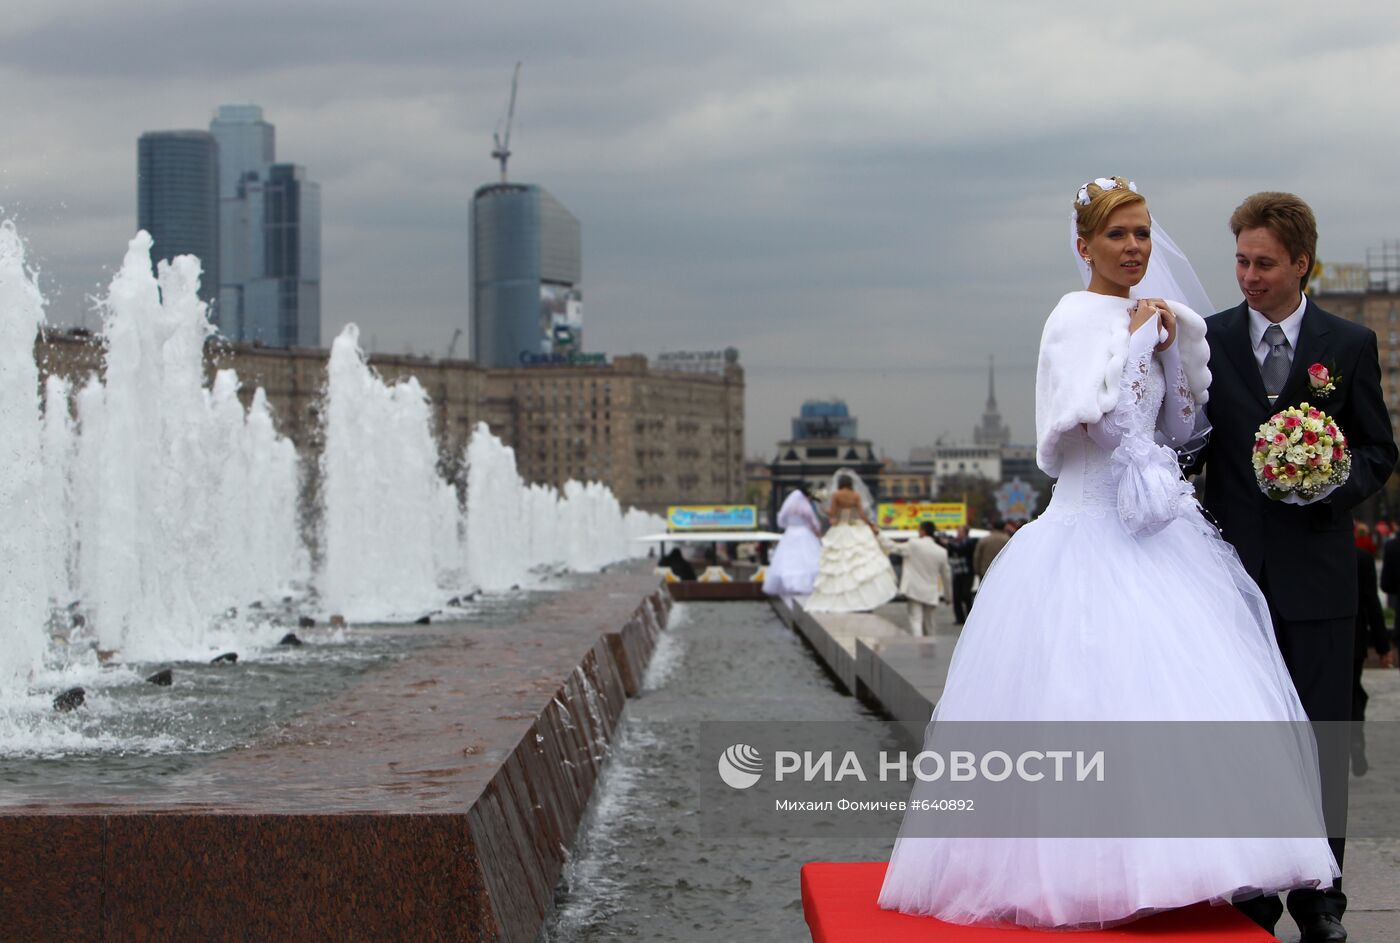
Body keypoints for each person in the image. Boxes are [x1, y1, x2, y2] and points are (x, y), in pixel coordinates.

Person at [879, 177, 1338, 929]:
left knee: (1183, 697)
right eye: (1119, 235)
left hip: (1159, 537)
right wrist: (1136, 349)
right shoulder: (1071, 318)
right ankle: (1084, 871)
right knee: (1085, 699)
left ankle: (1194, 865)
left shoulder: (1158, 318)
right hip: (1085, 528)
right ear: (1085, 244)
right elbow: (1094, 428)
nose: (1135, 248)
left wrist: (1174, 355)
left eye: (1144, 233)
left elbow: (1181, 428)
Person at [1190, 192, 1397, 942]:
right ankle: (1249, 888)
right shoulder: (1208, 340)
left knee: (1320, 738)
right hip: (1233, 579)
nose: (1248, 275)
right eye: (1241, 260)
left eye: (1264, 263)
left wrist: (1331, 483)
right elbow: (1193, 448)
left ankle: (1322, 898)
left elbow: (1379, 447)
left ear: (1301, 263)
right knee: (1244, 739)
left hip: (1318, 574)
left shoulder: (1346, 345)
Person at [805, 470, 897, 613]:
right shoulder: (855, 495)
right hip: (856, 528)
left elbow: (832, 513)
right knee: (859, 565)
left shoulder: (836, 495)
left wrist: (821, 506)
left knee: (839, 566)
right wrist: (870, 524)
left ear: (840, 483)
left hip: (841, 529)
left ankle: (840, 598)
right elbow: (861, 514)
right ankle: (863, 598)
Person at [1351, 540, 1392, 776]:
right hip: (1355, 638)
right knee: (1354, 693)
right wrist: (1382, 645)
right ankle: (1355, 738)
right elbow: (1372, 604)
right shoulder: (1363, 558)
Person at [883, 521, 952, 637]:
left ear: (923, 531)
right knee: (929, 623)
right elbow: (946, 576)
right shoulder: (942, 552)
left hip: (914, 590)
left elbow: (893, 547)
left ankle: (918, 644)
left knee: (916, 620)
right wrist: (948, 596)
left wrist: (878, 534)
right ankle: (930, 647)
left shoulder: (914, 544)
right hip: (931, 592)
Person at [763, 485, 823, 603]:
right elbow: (813, 522)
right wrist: (816, 531)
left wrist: (789, 527)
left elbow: (781, 521)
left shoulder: (788, 508)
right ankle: (806, 585)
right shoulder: (805, 507)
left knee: (789, 560)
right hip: (804, 533)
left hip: (790, 533)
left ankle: (790, 585)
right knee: (807, 559)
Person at [947, 526, 976, 623]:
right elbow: (950, 553)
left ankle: (970, 617)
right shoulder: (955, 542)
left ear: (965, 533)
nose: (958, 534)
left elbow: (961, 550)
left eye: (960, 532)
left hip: (967, 572)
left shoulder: (969, 542)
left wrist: (949, 543)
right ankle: (959, 618)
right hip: (957, 572)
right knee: (956, 596)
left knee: (966, 595)